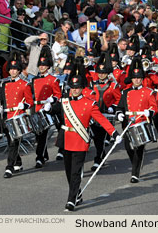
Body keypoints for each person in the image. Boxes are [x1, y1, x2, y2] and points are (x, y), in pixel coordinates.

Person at [50, 71, 121, 211]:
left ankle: (71, 200)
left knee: (76, 171)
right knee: (69, 171)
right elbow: (54, 110)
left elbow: (101, 119)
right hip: (66, 140)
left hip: (79, 140)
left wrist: (114, 133)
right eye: (72, 87)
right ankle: (77, 193)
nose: (74, 90)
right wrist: (49, 108)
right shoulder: (65, 101)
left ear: (82, 88)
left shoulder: (89, 104)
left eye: (77, 87)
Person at [0, 52, 34, 178]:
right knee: (10, 141)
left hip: (18, 116)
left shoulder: (25, 84)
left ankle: (9, 167)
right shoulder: (4, 84)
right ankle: (18, 162)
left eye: (15, 69)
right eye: (11, 69)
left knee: (14, 142)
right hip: (6, 116)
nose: (13, 71)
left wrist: (24, 106)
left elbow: (30, 102)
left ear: (18, 71)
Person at [116, 57, 158, 183]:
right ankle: (136, 164)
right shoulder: (126, 92)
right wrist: (119, 114)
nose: (137, 80)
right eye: (135, 78)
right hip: (128, 122)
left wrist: (149, 112)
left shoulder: (148, 92)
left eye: (139, 78)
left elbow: (154, 107)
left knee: (138, 148)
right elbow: (120, 106)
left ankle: (135, 172)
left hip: (141, 122)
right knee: (129, 148)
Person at [89, 53, 121, 171]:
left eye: (103, 73)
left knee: (100, 138)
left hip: (107, 115)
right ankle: (101, 155)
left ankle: (98, 159)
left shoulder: (113, 85)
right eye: (100, 72)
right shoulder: (93, 84)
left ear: (107, 73)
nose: (101, 75)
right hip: (94, 114)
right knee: (95, 137)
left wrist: (113, 106)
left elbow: (119, 99)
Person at [31, 47, 61, 168]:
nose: (42, 67)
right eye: (40, 65)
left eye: (44, 65)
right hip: (37, 107)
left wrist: (51, 100)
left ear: (48, 66)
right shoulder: (35, 79)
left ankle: (39, 157)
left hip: (48, 108)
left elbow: (58, 94)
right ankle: (44, 154)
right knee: (38, 135)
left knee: (43, 134)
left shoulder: (53, 79)